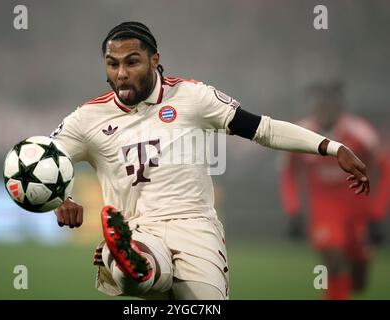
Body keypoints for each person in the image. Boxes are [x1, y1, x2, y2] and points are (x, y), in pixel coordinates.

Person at [51, 22, 370, 300]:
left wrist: (331, 147)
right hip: (136, 227)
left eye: (131, 62)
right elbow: (33, 163)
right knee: (140, 270)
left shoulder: (192, 97)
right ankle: (129, 261)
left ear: (154, 60)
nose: (121, 74)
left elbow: (263, 129)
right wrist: (59, 197)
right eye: (112, 64)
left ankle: (126, 262)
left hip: (196, 229)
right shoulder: (87, 118)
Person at [279, 82, 389, 300]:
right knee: (333, 261)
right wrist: (293, 210)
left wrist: (376, 212)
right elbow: (288, 173)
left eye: (328, 104)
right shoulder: (300, 133)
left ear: (338, 107)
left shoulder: (360, 133)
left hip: (357, 213)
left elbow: (384, 168)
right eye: (318, 104)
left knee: (359, 281)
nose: (323, 108)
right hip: (323, 213)